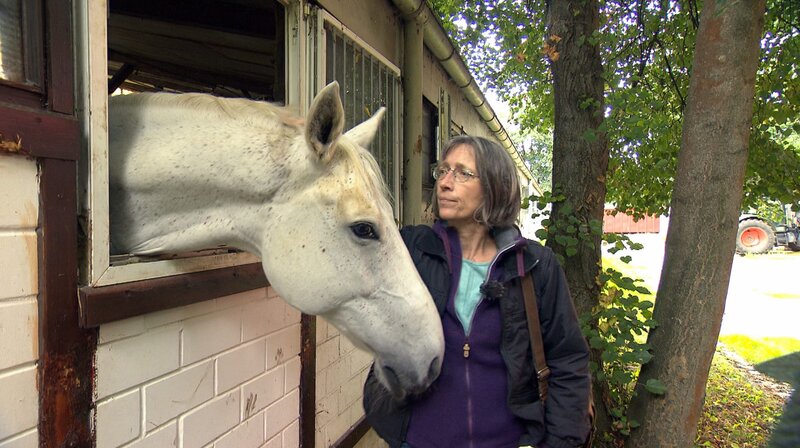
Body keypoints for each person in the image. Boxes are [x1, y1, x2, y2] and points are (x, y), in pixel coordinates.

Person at [363, 135, 592, 448]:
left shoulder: (534, 266)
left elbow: (568, 362)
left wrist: (561, 442)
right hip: (418, 440)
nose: (445, 182)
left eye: (462, 173)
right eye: (442, 171)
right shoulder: (412, 250)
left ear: (494, 187)